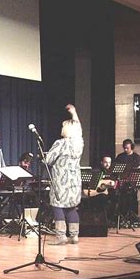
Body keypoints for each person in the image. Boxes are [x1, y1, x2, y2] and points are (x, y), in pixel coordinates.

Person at [45, 104, 83, 245]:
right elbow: (79, 128)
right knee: (71, 207)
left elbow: (49, 160)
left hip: (61, 180)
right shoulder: (79, 143)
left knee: (57, 205)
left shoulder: (60, 143)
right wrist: (74, 112)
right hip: (74, 180)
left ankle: (61, 236)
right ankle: (74, 235)